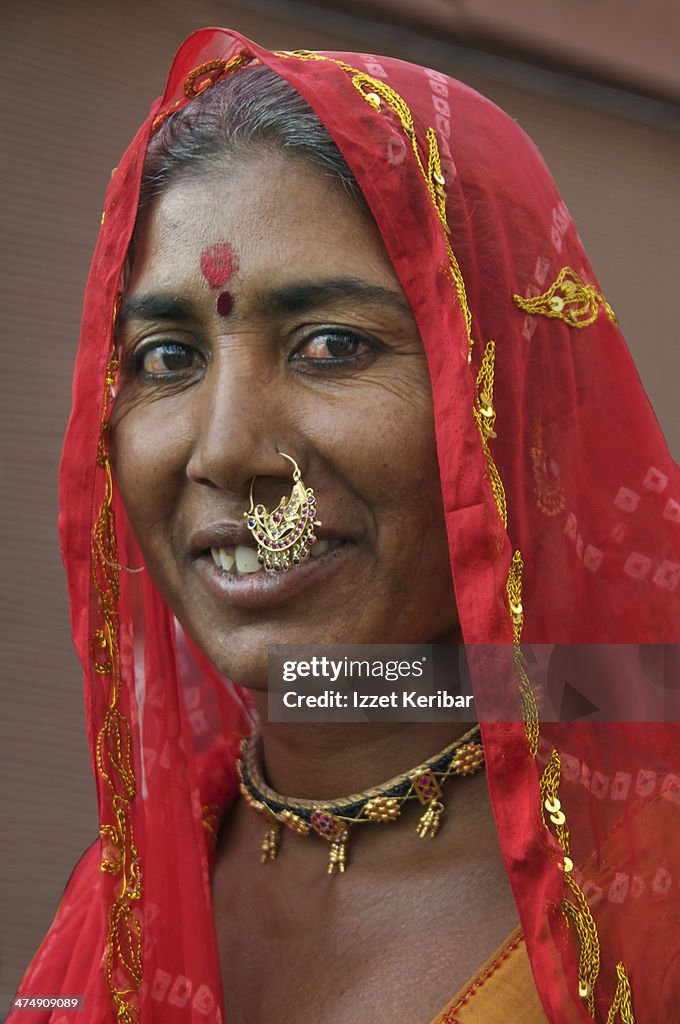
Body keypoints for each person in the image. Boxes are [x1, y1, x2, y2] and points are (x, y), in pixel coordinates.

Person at [9, 26, 679, 1024]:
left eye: (329, 344)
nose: (226, 449)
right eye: (164, 357)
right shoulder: (129, 897)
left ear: (515, 394)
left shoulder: (645, 885)